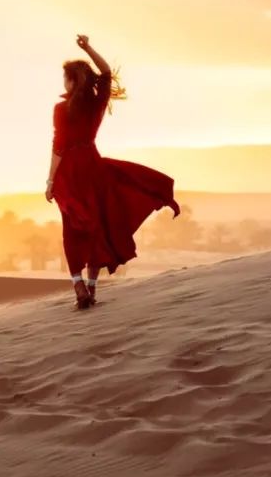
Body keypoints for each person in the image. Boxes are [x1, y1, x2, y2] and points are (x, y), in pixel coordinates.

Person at [46, 35, 180, 309]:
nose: (63, 83)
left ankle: (78, 284)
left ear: (72, 81)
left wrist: (50, 181)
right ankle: (92, 287)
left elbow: (58, 147)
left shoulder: (61, 109)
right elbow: (106, 73)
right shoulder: (96, 104)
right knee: (98, 226)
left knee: (72, 230)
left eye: (65, 78)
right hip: (93, 168)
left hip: (69, 176)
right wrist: (88, 48)